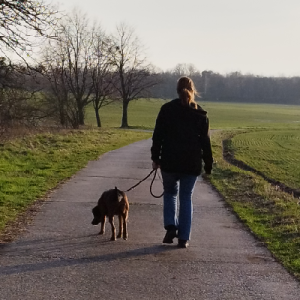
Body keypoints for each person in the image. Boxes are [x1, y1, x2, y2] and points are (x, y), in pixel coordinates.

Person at [151, 76, 213, 248]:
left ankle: (171, 226)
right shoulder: (200, 115)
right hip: (191, 164)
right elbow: (205, 143)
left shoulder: (166, 110)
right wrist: (208, 165)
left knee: (170, 193)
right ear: (193, 90)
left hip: (169, 162)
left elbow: (158, 136)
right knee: (186, 197)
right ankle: (183, 237)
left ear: (177, 90)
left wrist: (155, 158)